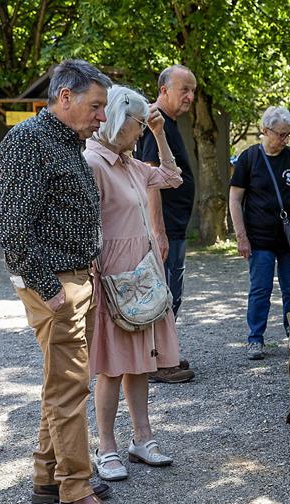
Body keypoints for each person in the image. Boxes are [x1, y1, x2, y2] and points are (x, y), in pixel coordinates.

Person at [0, 59, 125, 504]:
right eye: (95, 106)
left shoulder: (70, 142)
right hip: (54, 282)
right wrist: (50, 289)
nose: (101, 117)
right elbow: (12, 230)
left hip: (76, 277)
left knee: (62, 381)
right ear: (64, 97)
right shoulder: (29, 141)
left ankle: (47, 476)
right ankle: (75, 491)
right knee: (71, 386)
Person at [84, 86, 187, 481]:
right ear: (117, 119)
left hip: (142, 275)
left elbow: (172, 176)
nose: (141, 131)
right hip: (113, 276)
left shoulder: (128, 163)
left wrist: (160, 134)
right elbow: (88, 225)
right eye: (139, 124)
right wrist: (97, 276)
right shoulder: (93, 162)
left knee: (140, 364)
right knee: (110, 367)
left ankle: (141, 437)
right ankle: (105, 446)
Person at [228, 106, 290, 360]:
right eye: (281, 134)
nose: (285, 139)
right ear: (265, 130)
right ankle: (255, 338)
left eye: (288, 135)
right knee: (261, 289)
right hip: (259, 238)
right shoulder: (249, 158)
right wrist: (241, 237)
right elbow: (235, 199)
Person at [135, 64, 196, 383]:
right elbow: (150, 180)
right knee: (165, 295)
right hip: (166, 228)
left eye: (193, 91)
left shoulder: (167, 122)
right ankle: (157, 362)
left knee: (173, 293)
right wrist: (158, 232)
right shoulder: (154, 123)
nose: (190, 96)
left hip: (175, 226)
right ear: (163, 90)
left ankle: (163, 355)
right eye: (184, 89)